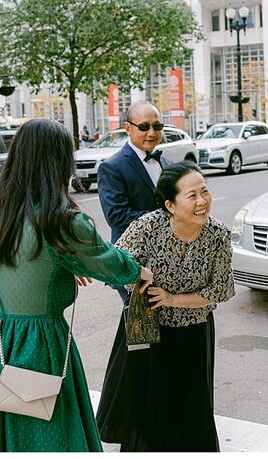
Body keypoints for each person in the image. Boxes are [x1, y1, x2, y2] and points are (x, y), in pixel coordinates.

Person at [0, 119, 150, 452]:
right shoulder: (62, 222)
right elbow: (110, 264)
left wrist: (53, 271)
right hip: (38, 346)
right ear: (59, 163)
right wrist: (141, 272)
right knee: (48, 437)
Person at [96, 161, 235, 452]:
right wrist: (136, 281)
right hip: (150, 333)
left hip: (195, 333)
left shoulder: (218, 235)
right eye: (192, 195)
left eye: (205, 191)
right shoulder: (147, 227)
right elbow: (115, 266)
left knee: (191, 408)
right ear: (170, 205)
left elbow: (219, 290)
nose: (202, 201)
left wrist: (172, 299)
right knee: (150, 410)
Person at [97, 101, 171, 303]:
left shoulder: (167, 163)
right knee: (141, 330)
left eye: (157, 126)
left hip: (167, 261)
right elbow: (116, 216)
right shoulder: (112, 167)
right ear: (127, 128)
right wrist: (167, 219)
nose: (151, 132)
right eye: (144, 126)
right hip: (132, 263)